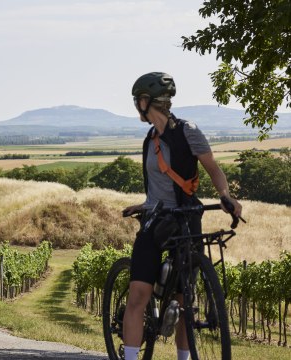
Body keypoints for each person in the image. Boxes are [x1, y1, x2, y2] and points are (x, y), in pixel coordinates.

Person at [121, 72, 242, 360]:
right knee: (139, 294)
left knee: (185, 299)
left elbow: (213, 168)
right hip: (155, 220)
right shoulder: (149, 140)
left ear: (145, 101)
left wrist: (225, 195)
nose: (137, 106)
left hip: (186, 219)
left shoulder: (188, 131)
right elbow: (157, 187)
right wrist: (144, 204)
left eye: (138, 100)